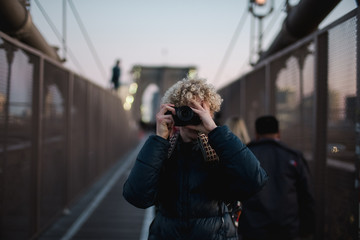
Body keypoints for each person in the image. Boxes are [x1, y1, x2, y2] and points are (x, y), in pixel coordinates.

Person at [123, 77, 268, 240]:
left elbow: (255, 181)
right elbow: (136, 196)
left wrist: (214, 130)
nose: (192, 116)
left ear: (211, 113)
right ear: (174, 112)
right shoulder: (163, 150)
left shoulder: (223, 148)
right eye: (186, 111)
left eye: (200, 110)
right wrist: (159, 139)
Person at [238, 115, 315, 240]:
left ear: (256, 134)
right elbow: (307, 196)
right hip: (287, 229)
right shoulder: (293, 156)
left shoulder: (246, 154)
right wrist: (307, 229)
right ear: (278, 133)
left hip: (253, 229)